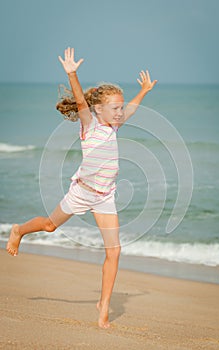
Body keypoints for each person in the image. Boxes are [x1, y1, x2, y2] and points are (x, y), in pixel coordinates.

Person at [7, 47, 157, 328]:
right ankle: (19, 230)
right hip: (82, 192)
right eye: (114, 108)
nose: (120, 112)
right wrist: (72, 73)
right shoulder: (90, 126)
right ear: (98, 109)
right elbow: (80, 101)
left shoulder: (113, 126)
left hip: (105, 197)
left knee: (114, 251)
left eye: (120, 107)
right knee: (50, 226)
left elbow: (132, 110)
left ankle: (103, 307)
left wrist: (144, 91)